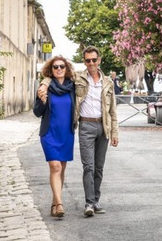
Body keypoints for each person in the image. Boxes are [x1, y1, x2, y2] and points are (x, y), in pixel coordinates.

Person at [38, 46, 119, 217]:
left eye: (94, 60)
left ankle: (94, 201)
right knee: (86, 166)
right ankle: (87, 203)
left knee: (98, 168)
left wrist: (115, 133)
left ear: (99, 61)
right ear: (84, 62)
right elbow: (53, 76)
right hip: (84, 127)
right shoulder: (78, 79)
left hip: (102, 127)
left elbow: (112, 110)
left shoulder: (108, 83)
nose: (91, 63)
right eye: (88, 60)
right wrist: (44, 85)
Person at [33, 56, 75, 218]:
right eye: (55, 67)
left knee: (61, 168)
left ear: (67, 69)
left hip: (66, 133)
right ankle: (59, 203)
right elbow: (37, 113)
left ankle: (54, 203)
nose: (59, 69)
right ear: (51, 70)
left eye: (62, 67)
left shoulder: (72, 87)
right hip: (49, 133)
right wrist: (42, 101)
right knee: (55, 167)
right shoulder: (45, 88)